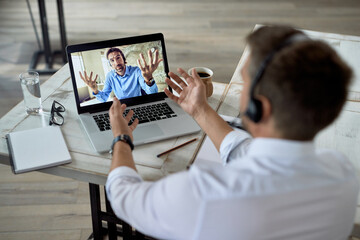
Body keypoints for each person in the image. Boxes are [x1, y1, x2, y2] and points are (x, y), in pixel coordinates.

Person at [105, 25, 359, 239]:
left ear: (259, 107)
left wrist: (121, 137)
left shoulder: (204, 194)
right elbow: (247, 153)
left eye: (244, 83)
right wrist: (200, 111)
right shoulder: (343, 175)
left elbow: (123, 195)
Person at [79, 47, 162, 102]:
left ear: (123, 58)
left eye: (118, 58)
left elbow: (153, 93)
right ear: (110, 64)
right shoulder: (110, 76)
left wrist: (148, 79)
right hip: (121, 108)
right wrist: (95, 90)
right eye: (112, 60)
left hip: (138, 104)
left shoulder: (136, 71)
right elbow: (104, 98)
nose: (116, 63)